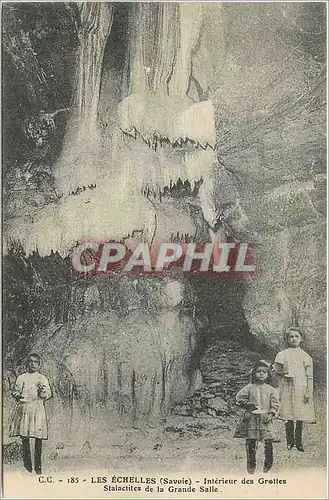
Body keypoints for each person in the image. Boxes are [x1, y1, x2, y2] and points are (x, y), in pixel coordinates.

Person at [273, 327, 315, 452]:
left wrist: (309, 391)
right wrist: (283, 373)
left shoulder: (305, 356)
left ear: (301, 339)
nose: (294, 339)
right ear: (287, 339)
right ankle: (290, 442)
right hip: (286, 387)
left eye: (296, 336)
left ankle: (299, 443)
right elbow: (276, 371)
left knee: (300, 415)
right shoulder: (282, 354)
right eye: (291, 337)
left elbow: (310, 376)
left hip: (300, 388)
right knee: (288, 415)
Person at [234, 360, 279, 474]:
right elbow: (239, 399)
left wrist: (271, 413)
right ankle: (251, 466)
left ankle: (268, 465)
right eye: (258, 372)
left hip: (265, 419)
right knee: (251, 442)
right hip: (252, 419)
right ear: (254, 374)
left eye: (264, 372)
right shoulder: (249, 388)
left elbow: (275, 404)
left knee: (268, 442)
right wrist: (249, 404)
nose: (261, 374)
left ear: (268, 375)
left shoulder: (271, 389)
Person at [9, 353, 52, 474]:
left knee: (38, 438)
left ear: (39, 364)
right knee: (25, 437)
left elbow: (48, 393)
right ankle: (27, 467)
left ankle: (38, 468)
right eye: (30, 362)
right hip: (25, 409)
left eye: (35, 362)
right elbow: (15, 390)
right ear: (27, 363)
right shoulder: (22, 377)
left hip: (37, 409)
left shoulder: (42, 378)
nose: (33, 364)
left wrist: (43, 393)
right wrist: (17, 395)